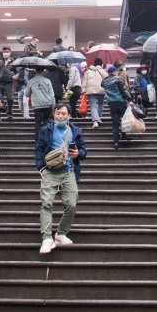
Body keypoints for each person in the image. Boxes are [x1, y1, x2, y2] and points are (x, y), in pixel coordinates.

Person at [35, 102, 86, 254]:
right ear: (54, 114)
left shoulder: (75, 131)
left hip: (68, 171)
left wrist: (78, 154)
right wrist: (41, 167)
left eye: (64, 114)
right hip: (50, 171)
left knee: (71, 203)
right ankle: (46, 238)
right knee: (46, 203)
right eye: (58, 113)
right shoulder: (47, 130)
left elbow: (83, 150)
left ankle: (61, 233)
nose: (60, 116)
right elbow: (39, 148)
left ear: (69, 115)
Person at [102, 65, 133, 149]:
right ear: (115, 71)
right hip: (121, 102)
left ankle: (116, 142)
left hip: (112, 104)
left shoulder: (104, 81)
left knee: (115, 124)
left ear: (108, 73)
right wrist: (129, 99)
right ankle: (124, 135)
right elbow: (123, 90)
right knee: (124, 120)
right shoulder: (118, 79)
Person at [23, 66, 57, 139]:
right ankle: (46, 138)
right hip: (47, 104)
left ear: (35, 71)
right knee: (46, 121)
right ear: (43, 71)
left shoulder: (31, 81)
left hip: (37, 105)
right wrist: (54, 107)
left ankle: (38, 140)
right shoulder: (47, 81)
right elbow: (52, 95)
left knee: (38, 123)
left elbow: (26, 94)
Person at [83, 58, 108, 128]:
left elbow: (84, 81)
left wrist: (83, 90)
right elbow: (108, 80)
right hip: (101, 89)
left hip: (90, 90)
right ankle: (98, 117)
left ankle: (95, 121)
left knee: (93, 105)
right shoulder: (103, 71)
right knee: (100, 103)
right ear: (101, 64)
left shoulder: (88, 71)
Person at [0, 47, 19, 118]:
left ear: (10, 52)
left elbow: (17, 72)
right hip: (0, 83)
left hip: (9, 83)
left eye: (7, 51)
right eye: (4, 51)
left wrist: (16, 76)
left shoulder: (14, 62)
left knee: (10, 99)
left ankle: (9, 112)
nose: (5, 53)